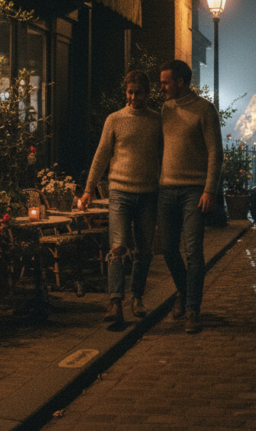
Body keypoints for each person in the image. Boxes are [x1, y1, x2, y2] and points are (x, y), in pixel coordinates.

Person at [79, 70, 162, 326]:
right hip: (120, 192)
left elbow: (164, 156)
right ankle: (115, 301)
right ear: (125, 92)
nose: (133, 97)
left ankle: (136, 297)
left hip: (148, 193)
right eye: (130, 92)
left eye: (138, 92)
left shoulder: (157, 121)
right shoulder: (114, 119)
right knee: (118, 247)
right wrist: (88, 188)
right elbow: (101, 154)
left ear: (147, 93)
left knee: (144, 251)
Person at [157, 59, 222, 334]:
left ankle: (192, 309)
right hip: (166, 188)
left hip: (194, 191)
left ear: (180, 82)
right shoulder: (165, 109)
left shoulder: (205, 110)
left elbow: (215, 153)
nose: (161, 88)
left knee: (194, 252)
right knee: (168, 249)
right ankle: (184, 294)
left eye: (165, 82)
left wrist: (209, 189)